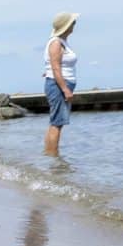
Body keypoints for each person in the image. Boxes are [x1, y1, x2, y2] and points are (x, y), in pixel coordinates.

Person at [43, 11, 78, 156]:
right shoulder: (56, 43)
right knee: (57, 123)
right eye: (73, 22)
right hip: (58, 87)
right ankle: (53, 156)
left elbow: (53, 65)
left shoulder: (61, 41)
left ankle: (50, 155)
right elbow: (56, 67)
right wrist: (65, 89)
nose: (75, 25)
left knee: (57, 122)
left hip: (59, 84)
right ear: (67, 26)